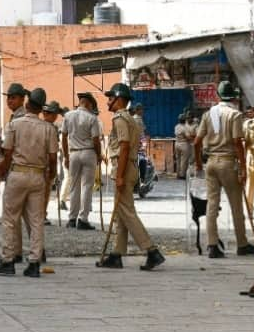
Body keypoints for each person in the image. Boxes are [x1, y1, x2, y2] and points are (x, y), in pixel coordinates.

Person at [97, 83, 165, 270]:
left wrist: (119, 176)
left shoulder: (120, 119)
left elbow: (124, 146)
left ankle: (151, 251)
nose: (108, 103)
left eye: (111, 99)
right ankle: (116, 254)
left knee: (126, 212)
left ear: (119, 100)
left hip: (124, 167)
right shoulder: (132, 120)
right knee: (121, 213)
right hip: (131, 166)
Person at [0, 88, 58, 278]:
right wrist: (50, 178)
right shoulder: (49, 128)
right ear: (41, 108)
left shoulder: (15, 124)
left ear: (28, 104)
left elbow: (7, 153)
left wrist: (1, 168)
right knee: (37, 221)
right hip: (38, 175)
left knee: (10, 218)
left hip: (18, 174)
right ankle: (34, 263)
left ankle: (8, 260)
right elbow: (53, 158)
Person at [193, 81, 254, 258]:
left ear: (219, 96)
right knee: (236, 205)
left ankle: (212, 245)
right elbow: (238, 142)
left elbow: (197, 142)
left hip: (211, 163)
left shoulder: (208, 114)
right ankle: (242, 244)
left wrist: (199, 163)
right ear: (233, 97)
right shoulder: (234, 115)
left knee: (212, 206)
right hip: (228, 163)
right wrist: (244, 168)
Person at [62, 93, 102, 230]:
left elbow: (63, 137)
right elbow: (96, 140)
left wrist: (66, 156)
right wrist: (99, 155)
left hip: (73, 153)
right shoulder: (92, 118)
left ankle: (72, 219)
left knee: (73, 186)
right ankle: (83, 219)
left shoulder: (68, 116)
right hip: (88, 152)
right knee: (87, 186)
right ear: (89, 104)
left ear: (80, 102)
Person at [4, 82, 31, 263]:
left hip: (18, 167)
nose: (9, 101)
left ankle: (15, 252)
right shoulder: (14, 117)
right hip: (25, 168)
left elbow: (12, 147)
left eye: (13, 98)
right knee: (26, 214)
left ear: (22, 99)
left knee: (13, 214)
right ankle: (22, 250)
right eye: (8, 98)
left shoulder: (20, 119)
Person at [42, 100, 62, 226]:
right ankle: (42, 214)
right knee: (45, 191)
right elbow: (53, 151)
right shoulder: (52, 129)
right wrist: (53, 169)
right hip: (47, 163)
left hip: (38, 162)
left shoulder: (38, 125)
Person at [174, 113, 191, 179]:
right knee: (184, 160)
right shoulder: (185, 128)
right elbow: (188, 137)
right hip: (184, 144)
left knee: (178, 160)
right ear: (184, 120)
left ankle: (178, 174)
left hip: (177, 144)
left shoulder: (176, 126)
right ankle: (182, 175)